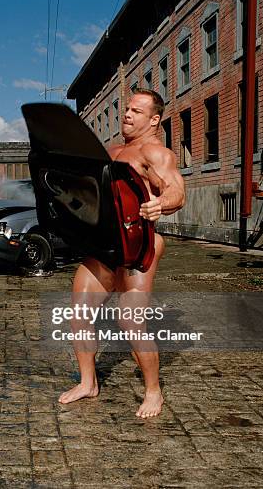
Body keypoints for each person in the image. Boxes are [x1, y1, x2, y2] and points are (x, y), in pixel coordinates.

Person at [58, 88, 186, 418]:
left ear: (154, 119)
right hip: (105, 244)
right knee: (79, 311)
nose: (127, 115)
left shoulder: (155, 153)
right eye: (127, 109)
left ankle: (153, 391)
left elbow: (175, 189)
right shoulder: (112, 150)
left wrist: (161, 203)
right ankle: (88, 383)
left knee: (130, 320)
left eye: (136, 111)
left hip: (139, 244)